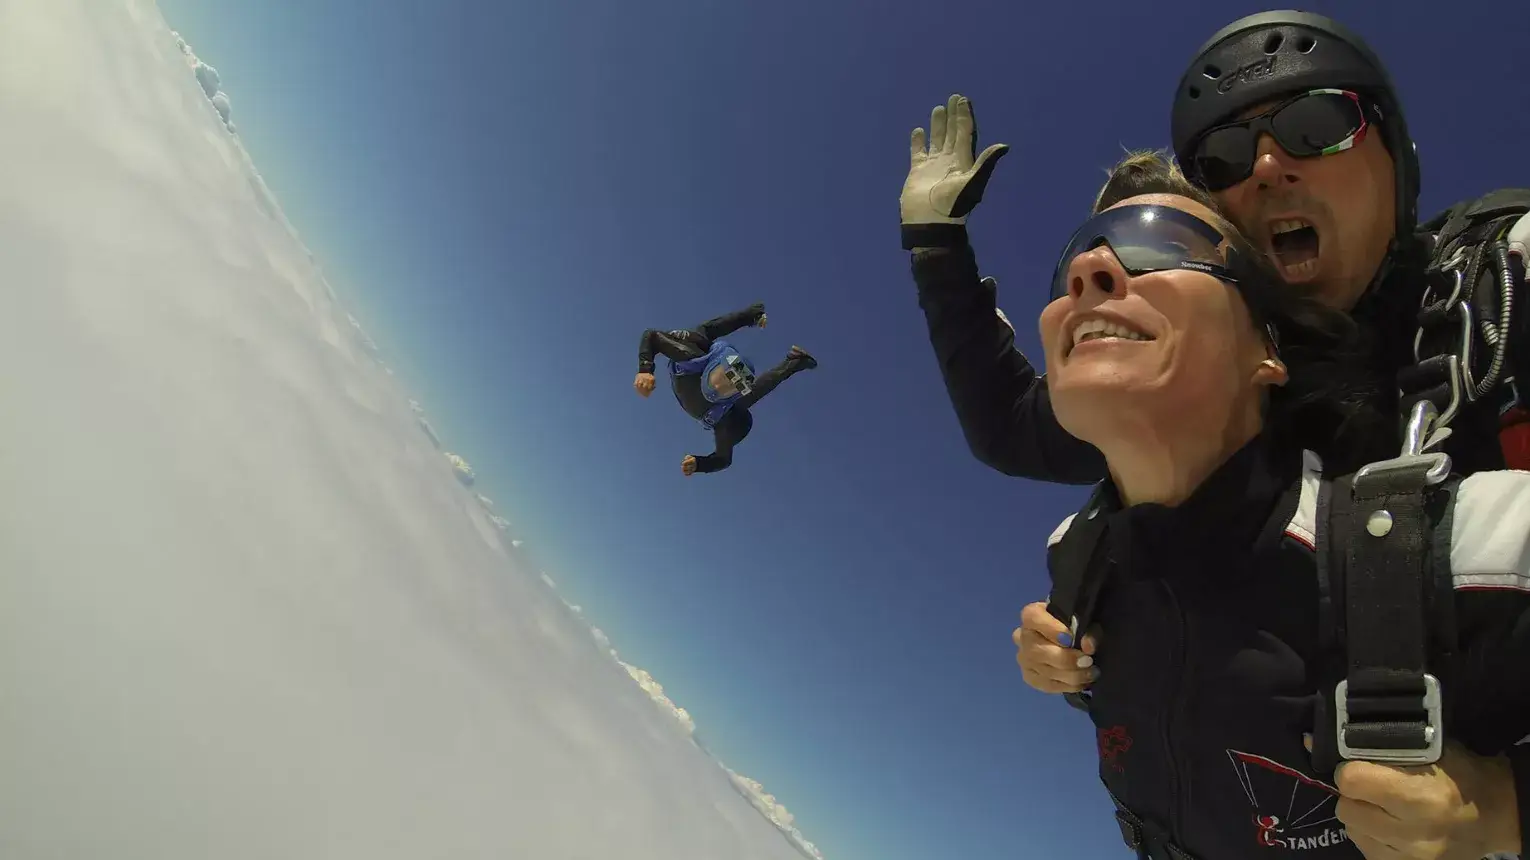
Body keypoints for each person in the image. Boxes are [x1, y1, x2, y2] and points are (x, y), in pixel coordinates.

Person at [898, 12, 1530, 854]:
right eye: (1224, 158)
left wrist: (1508, 805)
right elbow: (1015, 428)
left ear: (1397, 156)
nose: (1267, 167)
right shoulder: (1207, 399)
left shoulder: (1504, 284)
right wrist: (1094, 614)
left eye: (1318, 123)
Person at [1008, 153, 1530, 860]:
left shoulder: (1448, 551)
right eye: (1079, 253)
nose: (1089, 271)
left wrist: (1506, 807)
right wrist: (1066, 670)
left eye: (1163, 246)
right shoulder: (1077, 560)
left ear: (1268, 351)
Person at [633, 302, 817, 475]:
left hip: (720, 396)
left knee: (746, 395)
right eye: (721, 377)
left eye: (728, 388)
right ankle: (752, 314)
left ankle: (794, 359)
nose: (718, 387)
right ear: (713, 366)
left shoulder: (725, 415)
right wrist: (645, 369)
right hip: (698, 351)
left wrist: (699, 464)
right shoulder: (689, 355)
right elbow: (651, 336)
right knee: (703, 332)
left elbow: (723, 459)